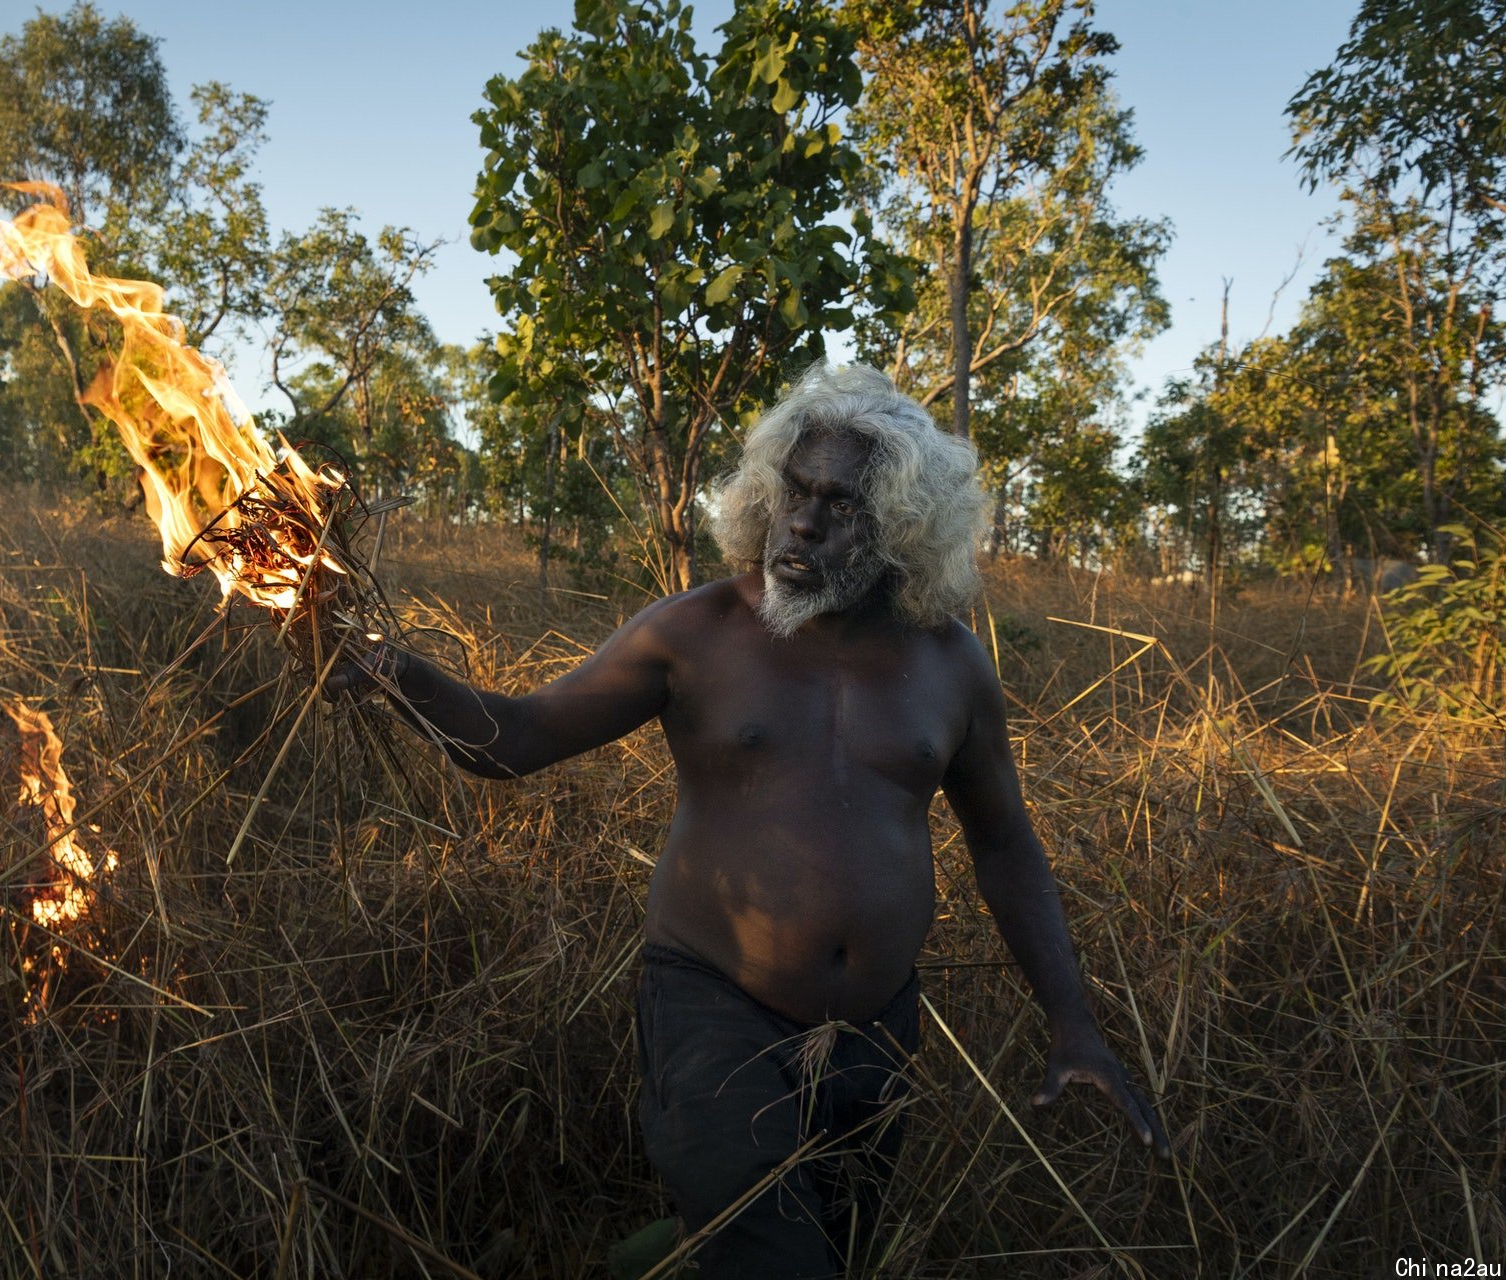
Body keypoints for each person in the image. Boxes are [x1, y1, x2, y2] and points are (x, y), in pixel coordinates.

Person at [328, 363, 1169, 1278]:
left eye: (841, 506)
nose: (802, 522)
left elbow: (1004, 844)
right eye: (794, 492)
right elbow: (515, 738)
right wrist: (397, 672)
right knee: (778, 1260)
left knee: (828, 1252)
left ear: (900, 527)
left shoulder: (950, 665)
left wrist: (1074, 1024)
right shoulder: (695, 633)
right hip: (713, 1008)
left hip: (876, 1035)